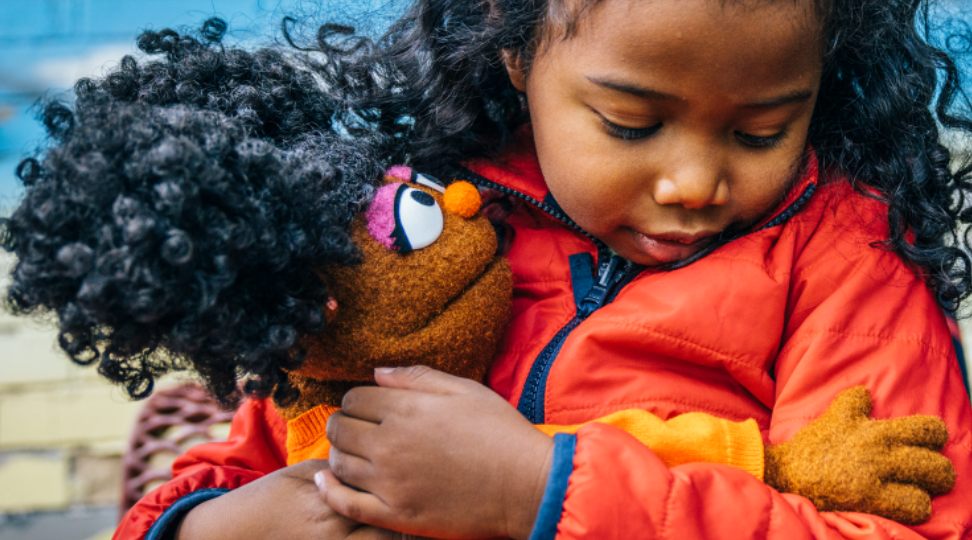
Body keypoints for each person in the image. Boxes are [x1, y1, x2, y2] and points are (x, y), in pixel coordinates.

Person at [8, 0, 972, 538]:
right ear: (516, 56)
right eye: (630, 124)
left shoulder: (847, 254)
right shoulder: (419, 223)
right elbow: (239, 459)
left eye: (761, 130)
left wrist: (542, 492)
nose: (692, 181)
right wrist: (225, 528)